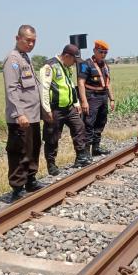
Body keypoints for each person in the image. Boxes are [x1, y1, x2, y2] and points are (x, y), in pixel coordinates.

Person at [3, 24, 46, 200]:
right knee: (19, 151)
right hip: (21, 117)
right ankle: (18, 187)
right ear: (17, 38)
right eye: (27, 40)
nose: (30, 44)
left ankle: (30, 180)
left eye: (33, 41)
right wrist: (19, 114)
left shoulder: (25, 58)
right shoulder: (13, 60)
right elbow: (11, 89)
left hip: (33, 115)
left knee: (33, 149)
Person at [40, 44, 92, 176]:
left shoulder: (66, 67)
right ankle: (51, 164)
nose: (75, 63)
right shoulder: (49, 66)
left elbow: (69, 86)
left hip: (69, 107)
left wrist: (76, 102)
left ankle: (81, 156)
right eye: (74, 60)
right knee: (52, 137)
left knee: (79, 127)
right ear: (67, 56)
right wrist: (46, 110)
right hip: (55, 108)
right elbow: (44, 89)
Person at [77, 40, 115, 156]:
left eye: (105, 53)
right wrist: (84, 101)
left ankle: (96, 148)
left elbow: (108, 83)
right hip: (91, 96)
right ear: (94, 51)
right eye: (101, 52)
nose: (103, 55)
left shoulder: (106, 65)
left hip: (103, 96)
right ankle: (86, 152)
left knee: (100, 122)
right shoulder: (86, 64)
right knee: (89, 123)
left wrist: (112, 99)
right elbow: (80, 82)